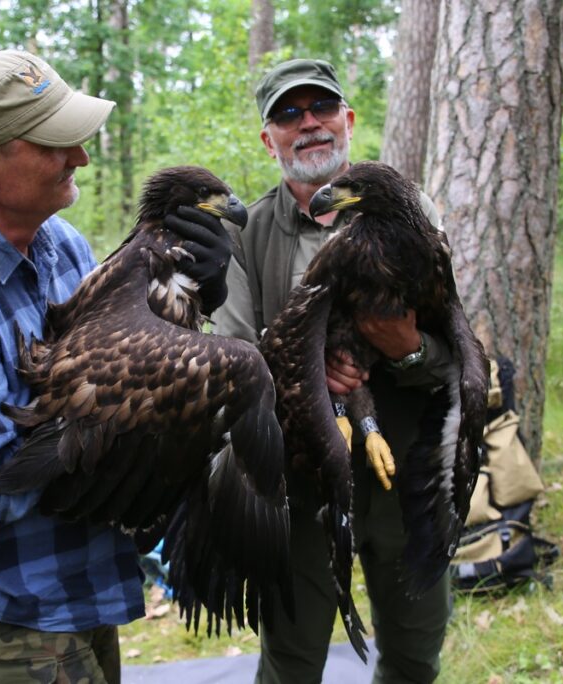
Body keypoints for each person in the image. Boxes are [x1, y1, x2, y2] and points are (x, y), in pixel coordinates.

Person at [0, 49, 231, 683]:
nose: (80, 157)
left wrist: (191, 301)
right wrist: (136, 454)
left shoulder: (62, 246)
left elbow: (109, 383)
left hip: (81, 586)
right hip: (11, 613)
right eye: (56, 143)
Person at [213, 58, 459, 684]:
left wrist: (403, 346)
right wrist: (303, 364)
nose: (309, 124)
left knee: (413, 654)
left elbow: (454, 350)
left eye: (321, 108)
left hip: (408, 475)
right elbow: (235, 360)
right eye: (288, 114)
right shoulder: (245, 234)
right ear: (268, 139)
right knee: (291, 663)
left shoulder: (410, 212)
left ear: (347, 120)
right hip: (301, 486)